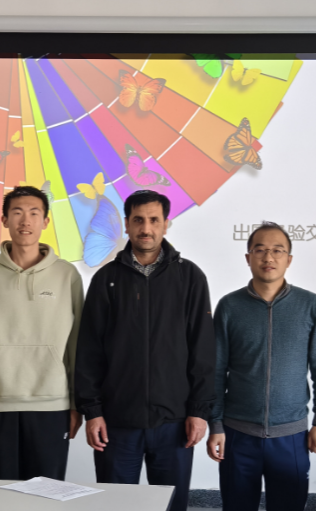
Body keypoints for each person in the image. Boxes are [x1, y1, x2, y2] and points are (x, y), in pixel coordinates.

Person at [75, 190, 215, 511]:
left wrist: (199, 411)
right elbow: (89, 351)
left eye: (154, 220)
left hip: (174, 423)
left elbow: (203, 350)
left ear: (166, 224)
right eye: (138, 220)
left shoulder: (190, 277)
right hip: (117, 423)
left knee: (171, 505)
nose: (146, 228)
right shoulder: (106, 279)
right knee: (116, 507)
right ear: (126, 224)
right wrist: (92, 411)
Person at [206, 222, 316, 511]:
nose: (268, 257)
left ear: (289, 259)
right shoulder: (229, 306)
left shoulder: (309, 304)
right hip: (237, 434)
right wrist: (216, 424)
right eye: (260, 250)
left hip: (291, 436)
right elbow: (216, 370)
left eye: (277, 250)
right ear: (248, 257)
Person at [0, 186, 84, 480]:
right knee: (1, 493)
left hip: (53, 404)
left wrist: (77, 404)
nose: (25, 221)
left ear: (45, 221)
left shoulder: (66, 275)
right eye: (17, 212)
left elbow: (78, 345)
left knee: (47, 493)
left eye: (34, 213)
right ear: (4, 220)